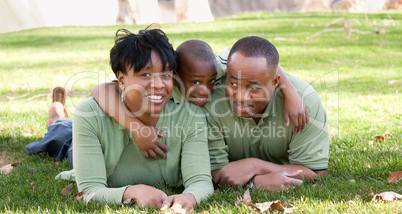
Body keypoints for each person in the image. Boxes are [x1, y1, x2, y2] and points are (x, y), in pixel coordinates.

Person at [34, 28, 214, 214]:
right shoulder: (89, 114)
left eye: (166, 75)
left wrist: (189, 197)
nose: (159, 84)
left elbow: (201, 181)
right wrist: (130, 192)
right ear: (121, 80)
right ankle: (56, 118)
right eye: (145, 74)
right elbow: (88, 190)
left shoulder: (190, 116)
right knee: (63, 140)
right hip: (89, 146)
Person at [91, 39, 310, 160]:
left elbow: (259, 53)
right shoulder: (164, 86)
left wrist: (289, 91)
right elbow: (101, 89)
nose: (205, 91)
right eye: (195, 82)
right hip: (86, 139)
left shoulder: (218, 69)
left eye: (211, 81)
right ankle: (57, 116)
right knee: (62, 138)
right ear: (174, 75)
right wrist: (137, 129)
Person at [205, 36, 329, 191]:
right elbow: (216, 173)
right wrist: (255, 182)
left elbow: (315, 171)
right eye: (234, 83)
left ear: (276, 82)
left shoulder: (304, 103)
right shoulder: (211, 98)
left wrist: (256, 166)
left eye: (253, 88)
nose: (240, 97)